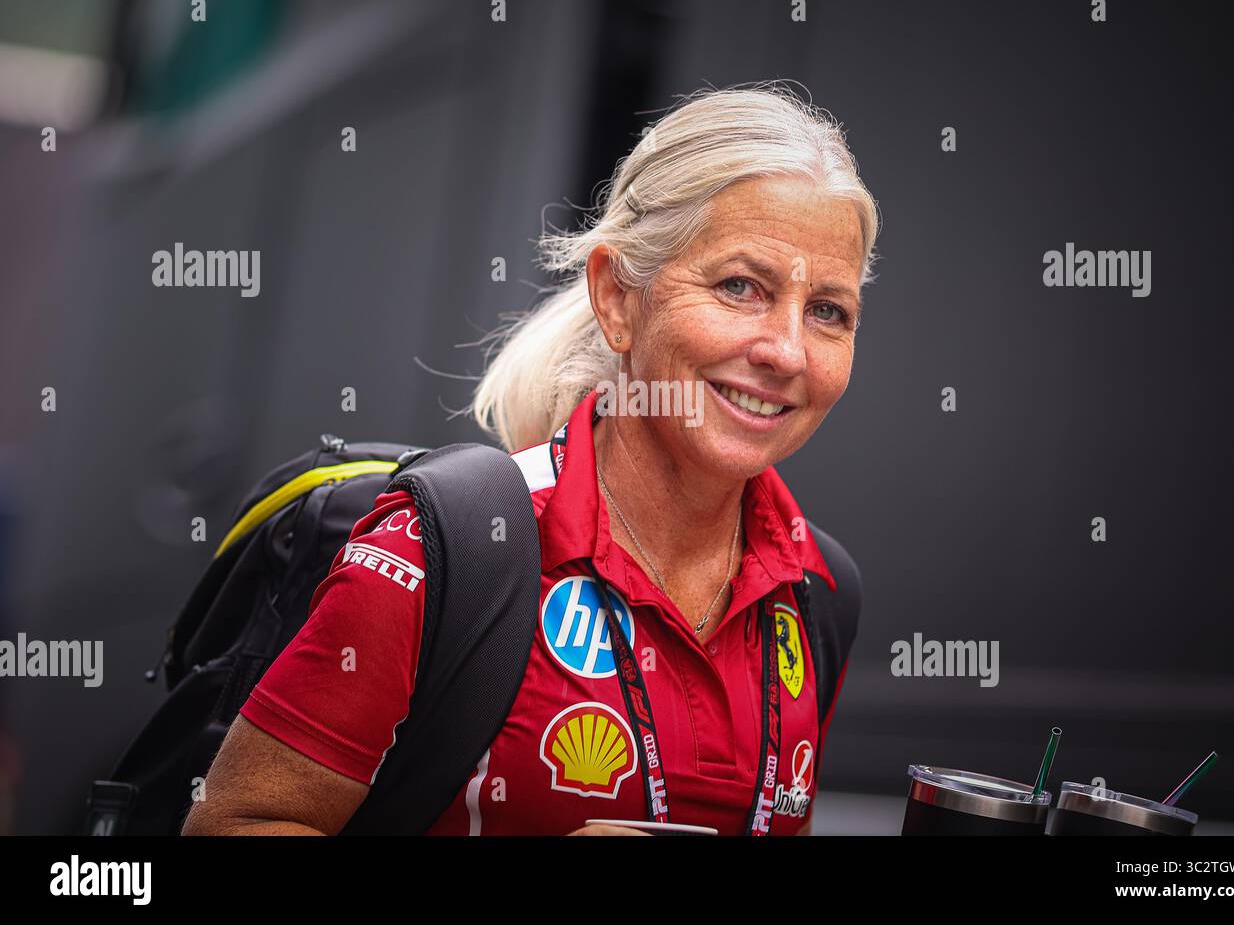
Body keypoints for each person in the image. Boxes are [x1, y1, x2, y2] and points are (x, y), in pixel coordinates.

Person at [182, 82, 880, 836]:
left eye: (827, 312)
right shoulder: (446, 546)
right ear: (617, 298)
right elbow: (230, 825)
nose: (785, 350)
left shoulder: (819, 590)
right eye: (740, 286)